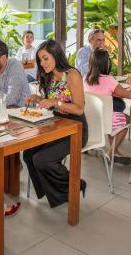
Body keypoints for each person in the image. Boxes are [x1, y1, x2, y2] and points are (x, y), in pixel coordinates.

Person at [23, 39, 88, 208]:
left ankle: (74, 185)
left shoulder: (72, 74)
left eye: (45, 58)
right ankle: (51, 190)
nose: (42, 63)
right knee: (29, 154)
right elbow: (49, 101)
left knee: (42, 160)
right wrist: (38, 99)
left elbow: (79, 109)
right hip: (56, 124)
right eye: (40, 60)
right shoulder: (48, 75)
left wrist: (55, 103)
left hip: (76, 128)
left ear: (56, 55)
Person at [83, 49, 131, 162]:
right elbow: (129, 95)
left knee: (113, 114)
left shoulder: (85, 79)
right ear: (106, 63)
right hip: (105, 120)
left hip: (90, 120)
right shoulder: (109, 80)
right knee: (126, 119)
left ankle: (115, 151)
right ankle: (110, 153)